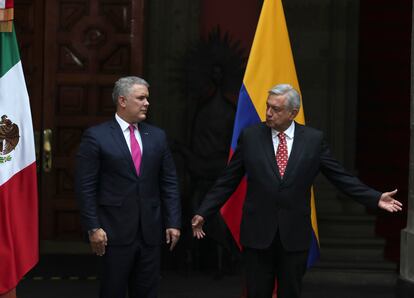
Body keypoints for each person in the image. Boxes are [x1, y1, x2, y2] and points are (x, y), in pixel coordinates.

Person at [191, 83, 402, 298]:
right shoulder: (251, 137)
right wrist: (203, 211)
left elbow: (340, 177)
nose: (268, 113)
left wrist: (375, 198)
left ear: (293, 113)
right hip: (257, 235)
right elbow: (227, 180)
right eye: (267, 106)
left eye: (276, 109)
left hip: (294, 236)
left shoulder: (313, 141)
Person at [75, 76, 181, 298]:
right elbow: (85, 187)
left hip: (150, 233)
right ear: (122, 101)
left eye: (147, 98)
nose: (147, 103)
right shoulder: (97, 136)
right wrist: (93, 227)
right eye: (141, 98)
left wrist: (173, 221)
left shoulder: (157, 136)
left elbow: (169, 182)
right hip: (112, 233)